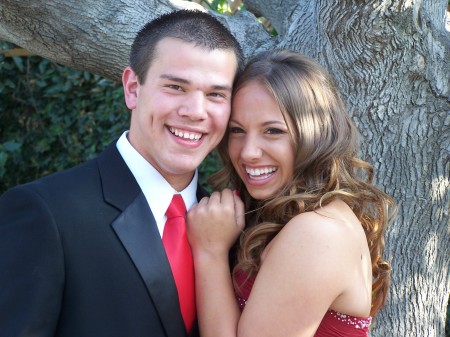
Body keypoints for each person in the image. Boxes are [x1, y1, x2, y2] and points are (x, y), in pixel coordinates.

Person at [0, 9, 243, 337]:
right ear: (132, 88)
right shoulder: (45, 213)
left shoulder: (234, 226)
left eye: (215, 94)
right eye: (175, 86)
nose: (195, 112)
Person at [186, 49, 397, 337]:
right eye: (237, 130)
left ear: (317, 135)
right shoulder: (282, 215)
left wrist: (209, 252)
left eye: (273, 131)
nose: (248, 152)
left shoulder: (319, 233)